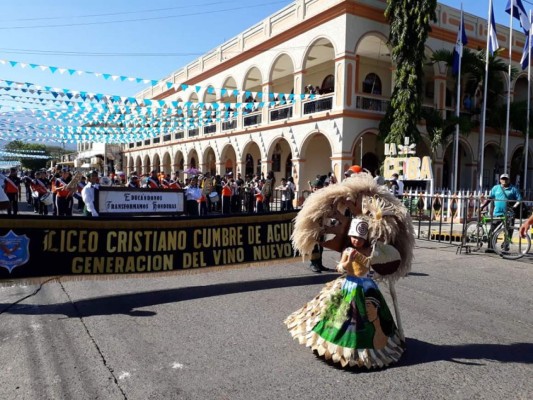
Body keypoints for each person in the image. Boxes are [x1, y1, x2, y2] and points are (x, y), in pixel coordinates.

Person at [285, 217, 404, 368]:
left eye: (360, 238)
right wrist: (348, 261)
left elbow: (376, 264)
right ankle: (342, 344)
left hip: (368, 287)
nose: (356, 241)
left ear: (365, 238)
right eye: (354, 237)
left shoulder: (370, 250)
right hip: (350, 285)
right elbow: (341, 268)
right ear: (350, 237)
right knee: (344, 315)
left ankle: (369, 347)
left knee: (370, 316)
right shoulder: (348, 250)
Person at [481, 173, 522, 252]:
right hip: (497, 213)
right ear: (500, 180)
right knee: (493, 230)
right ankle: (491, 247)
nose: (504, 180)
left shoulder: (513, 189)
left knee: (509, 231)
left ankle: (505, 247)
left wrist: (514, 207)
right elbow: (490, 198)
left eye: (506, 179)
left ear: (509, 180)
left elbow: (519, 199)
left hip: (509, 214)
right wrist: (483, 206)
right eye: (502, 179)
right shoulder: (496, 188)